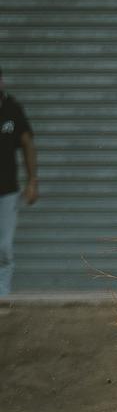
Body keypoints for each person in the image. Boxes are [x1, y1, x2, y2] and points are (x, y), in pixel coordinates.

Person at [0, 65, 38, 296]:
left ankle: (1, 297)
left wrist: (33, 181)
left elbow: (27, 145)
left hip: (7, 192)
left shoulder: (12, 109)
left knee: (3, 248)